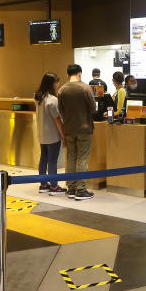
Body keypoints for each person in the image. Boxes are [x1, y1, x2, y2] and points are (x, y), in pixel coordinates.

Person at [57, 63, 96, 201]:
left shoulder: (61, 90)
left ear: (68, 75)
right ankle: (81, 190)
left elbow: (60, 110)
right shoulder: (85, 88)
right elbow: (93, 108)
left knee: (71, 158)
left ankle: (71, 188)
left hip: (69, 129)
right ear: (79, 73)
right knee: (82, 159)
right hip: (84, 129)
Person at [34, 72, 66, 195]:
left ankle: (43, 184)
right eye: (57, 82)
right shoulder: (52, 100)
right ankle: (54, 186)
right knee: (52, 161)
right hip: (52, 136)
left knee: (43, 159)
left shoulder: (38, 97)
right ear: (51, 84)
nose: (58, 85)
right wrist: (63, 137)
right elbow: (57, 121)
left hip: (42, 135)